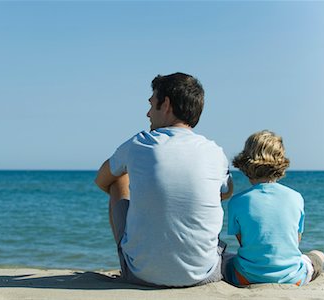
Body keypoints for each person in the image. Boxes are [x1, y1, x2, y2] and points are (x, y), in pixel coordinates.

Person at [95, 72, 233, 287]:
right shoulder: (215, 152)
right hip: (204, 275)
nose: (148, 113)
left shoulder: (139, 144)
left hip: (141, 275)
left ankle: (140, 256)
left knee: (117, 180)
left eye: (152, 104)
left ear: (166, 104)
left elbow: (101, 179)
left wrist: (147, 198)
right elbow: (226, 192)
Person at [223, 130, 324, 286]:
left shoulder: (237, 201)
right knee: (319, 255)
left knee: (225, 258)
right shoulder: (296, 197)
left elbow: (245, 243)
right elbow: (294, 242)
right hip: (294, 278)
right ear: (280, 163)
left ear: (245, 162)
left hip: (246, 278)